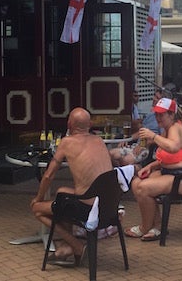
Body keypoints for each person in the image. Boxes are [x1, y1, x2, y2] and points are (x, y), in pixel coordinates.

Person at [30, 107, 112, 266]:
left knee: (37, 209)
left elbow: (48, 175)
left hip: (88, 210)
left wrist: (38, 198)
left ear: (69, 124)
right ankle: (67, 248)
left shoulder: (67, 142)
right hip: (108, 207)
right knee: (62, 193)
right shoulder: (99, 140)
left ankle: (77, 246)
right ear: (91, 124)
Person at [125, 98, 182, 242]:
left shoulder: (176, 128)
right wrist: (150, 166)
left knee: (144, 188)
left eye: (161, 115)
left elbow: (173, 147)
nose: (158, 118)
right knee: (136, 183)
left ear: (171, 115)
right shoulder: (166, 131)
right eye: (157, 114)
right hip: (170, 173)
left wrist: (153, 136)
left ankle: (145, 227)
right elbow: (167, 158)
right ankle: (156, 226)